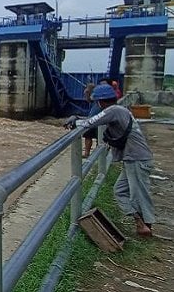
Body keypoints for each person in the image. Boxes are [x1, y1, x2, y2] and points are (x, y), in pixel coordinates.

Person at [64, 84, 155, 237]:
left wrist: (75, 122)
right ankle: (140, 222)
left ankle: (145, 226)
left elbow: (90, 123)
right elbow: (94, 120)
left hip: (136, 159)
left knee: (139, 194)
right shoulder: (119, 110)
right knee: (119, 190)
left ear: (100, 102)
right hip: (133, 158)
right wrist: (79, 118)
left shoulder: (113, 111)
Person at [82, 79, 97, 157]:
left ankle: (87, 153)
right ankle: (88, 153)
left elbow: (89, 99)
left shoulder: (96, 95)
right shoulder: (96, 95)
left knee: (88, 136)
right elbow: (89, 100)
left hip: (96, 119)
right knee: (88, 136)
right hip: (93, 118)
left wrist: (87, 92)